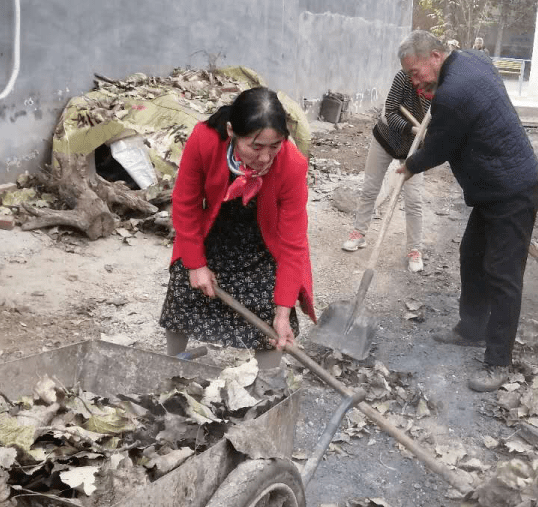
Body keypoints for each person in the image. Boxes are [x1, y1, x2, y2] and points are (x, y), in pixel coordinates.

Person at [397, 30, 538, 393]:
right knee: (472, 254)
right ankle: (472, 328)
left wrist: (409, 165)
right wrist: (433, 93)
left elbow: (439, 148)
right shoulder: (470, 60)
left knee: (503, 273)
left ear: (435, 55)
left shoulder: (453, 94)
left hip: (512, 189)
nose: (414, 82)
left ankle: (499, 362)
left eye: (416, 73)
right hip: (497, 187)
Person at [160, 87, 315, 370]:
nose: (266, 157)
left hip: (263, 244)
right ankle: (172, 364)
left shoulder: (292, 164)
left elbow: (293, 242)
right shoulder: (204, 140)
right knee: (183, 289)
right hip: (214, 233)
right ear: (232, 131)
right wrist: (196, 264)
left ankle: (266, 384)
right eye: (256, 146)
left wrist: (282, 312)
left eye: (275, 145)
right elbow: (186, 203)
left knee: (271, 321)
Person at [341, 70, 430, 273]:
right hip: (385, 138)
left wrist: (431, 136)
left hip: (414, 149)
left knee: (414, 199)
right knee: (370, 188)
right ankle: (359, 233)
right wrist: (415, 130)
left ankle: (415, 249)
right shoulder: (403, 77)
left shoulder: (440, 88)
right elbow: (389, 113)